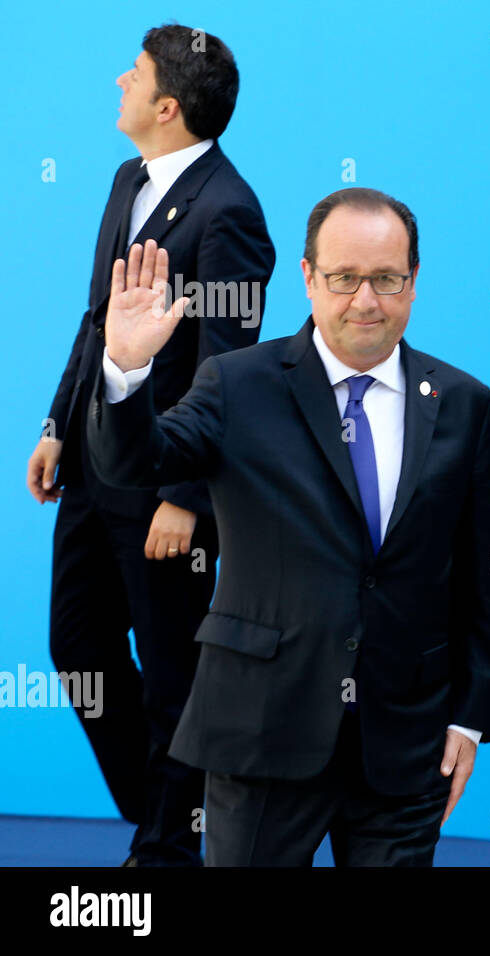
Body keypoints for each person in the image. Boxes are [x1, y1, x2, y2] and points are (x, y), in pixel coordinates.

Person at [85, 188, 490, 866]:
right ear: (308, 278)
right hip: (261, 733)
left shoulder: (462, 401)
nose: (365, 301)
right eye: (343, 279)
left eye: (386, 279)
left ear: (414, 283)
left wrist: (468, 716)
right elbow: (135, 462)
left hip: (405, 742)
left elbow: (482, 563)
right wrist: (127, 368)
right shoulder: (237, 384)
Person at [26, 24, 275, 866]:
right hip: (95, 466)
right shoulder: (126, 180)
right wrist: (59, 423)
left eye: (130, 74)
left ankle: (166, 849)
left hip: (166, 486)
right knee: (78, 647)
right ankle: (172, 819)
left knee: (172, 676)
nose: (117, 82)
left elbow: (226, 367)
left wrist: (188, 497)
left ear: (167, 105)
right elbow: (99, 318)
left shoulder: (229, 210)